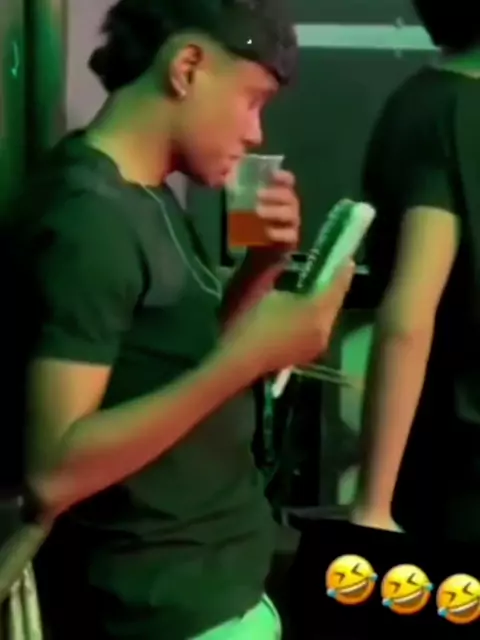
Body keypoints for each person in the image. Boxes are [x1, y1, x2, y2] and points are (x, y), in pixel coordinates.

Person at [4, 1, 354, 638]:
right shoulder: (86, 220)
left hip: (215, 577)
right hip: (161, 605)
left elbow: (175, 359)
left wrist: (262, 266)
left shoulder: (148, 195)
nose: (256, 133)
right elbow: (52, 474)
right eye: (251, 101)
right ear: (188, 67)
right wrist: (249, 358)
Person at [351, 0, 480, 541]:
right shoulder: (444, 114)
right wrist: (373, 505)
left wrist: (372, 505)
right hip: (456, 471)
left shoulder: (428, 108)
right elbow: (408, 316)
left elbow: (408, 316)